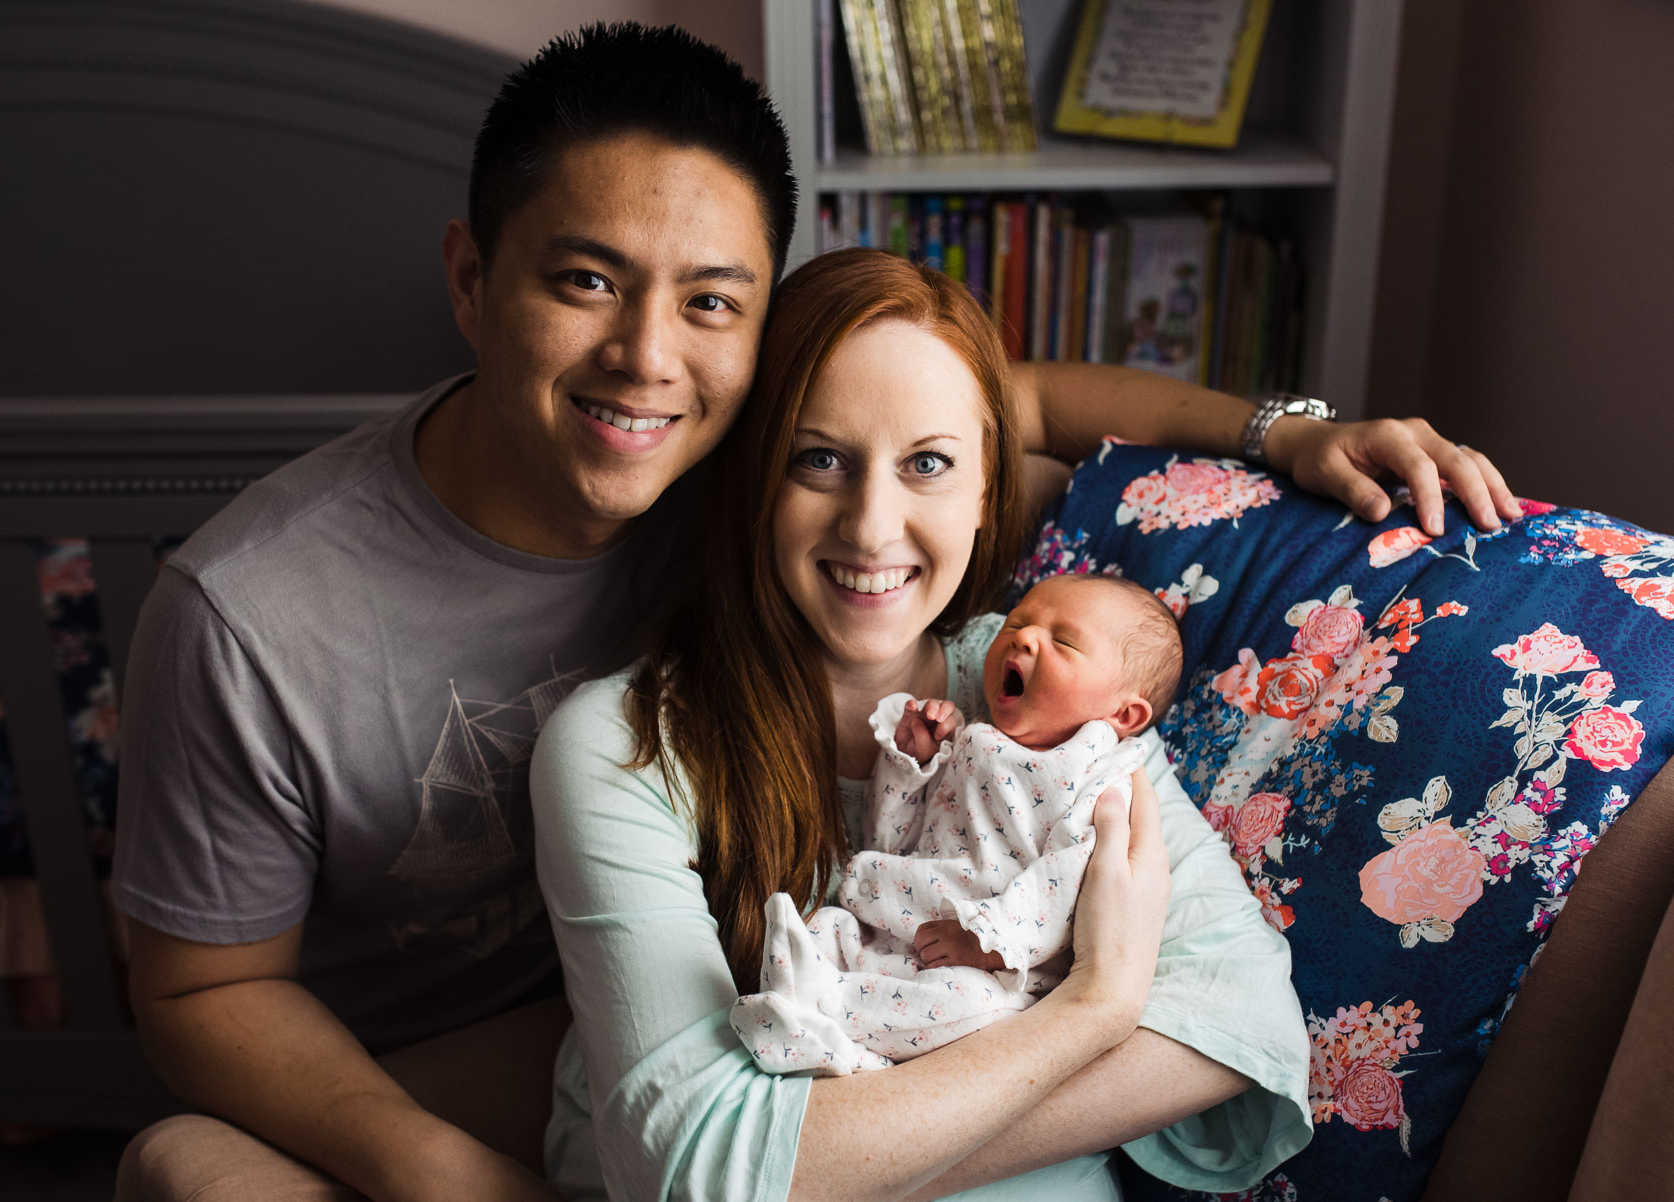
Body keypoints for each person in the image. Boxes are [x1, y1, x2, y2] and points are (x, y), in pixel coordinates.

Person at [112, 22, 1522, 1202]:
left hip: (716, 989)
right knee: (183, 1164)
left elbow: (983, 398)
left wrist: (1283, 427)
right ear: (474, 280)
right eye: (584, 278)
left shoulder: (743, 446)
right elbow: (198, 995)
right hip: (448, 1052)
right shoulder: (253, 612)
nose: (646, 358)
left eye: (709, 302)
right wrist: (445, 1174)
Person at [533, 248, 1306, 1202]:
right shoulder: (620, 746)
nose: (870, 526)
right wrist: (1098, 1007)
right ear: (751, 483)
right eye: (819, 460)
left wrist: (828, 1158)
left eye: (928, 464)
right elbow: (697, 1171)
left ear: (988, 493)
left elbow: (1243, 1025)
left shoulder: (1053, 695)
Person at [732, 574, 1182, 1076]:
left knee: (968, 1005)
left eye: (1063, 641)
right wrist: (912, 765)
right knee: (826, 927)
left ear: (1124, 712)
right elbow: (892, 839)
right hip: (890, 927)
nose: (1024, 637)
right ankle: (823, 1026)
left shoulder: (1097, 781)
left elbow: (1062, 885)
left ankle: (818, 1021)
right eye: (1018, 622)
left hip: (989, 967)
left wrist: (986, 943)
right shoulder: (974, 737)